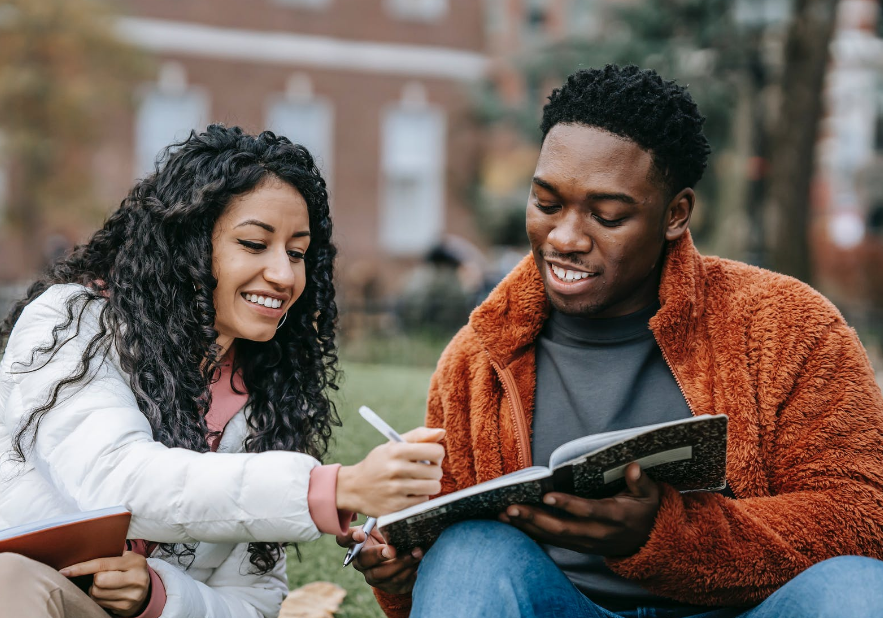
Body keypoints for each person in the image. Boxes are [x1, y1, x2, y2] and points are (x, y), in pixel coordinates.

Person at [341, 65, 883, 617]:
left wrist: (669, 536)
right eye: (546, 203)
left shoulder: (788, 327)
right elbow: (453, 582)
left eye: (607, 215)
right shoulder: (478, 358)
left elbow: (862, 517)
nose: (566, 238)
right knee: (467, 553)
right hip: (559, 606)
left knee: (860, 590)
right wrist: (400, 569)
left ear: (676, 214)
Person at [0, 125, 445, 618]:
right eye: (254, 244)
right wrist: (337, 488)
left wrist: (155, 593)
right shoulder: (74, 322)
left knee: (0, 582)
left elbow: (254, 603)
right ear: (187, 244)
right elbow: (118, 480)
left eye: (299, 252)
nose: (283, 274)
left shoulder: (267, 398)